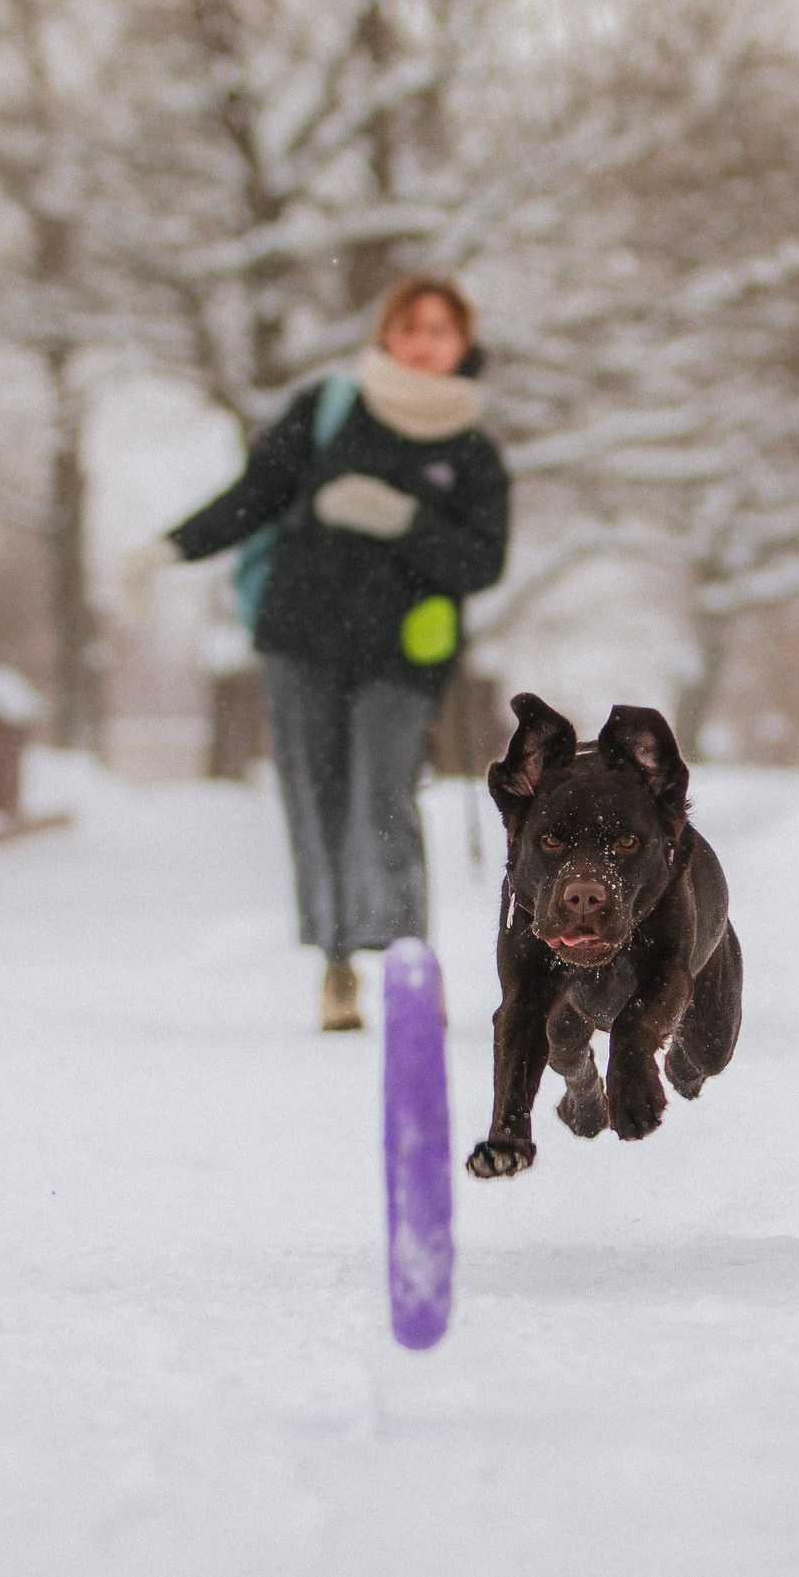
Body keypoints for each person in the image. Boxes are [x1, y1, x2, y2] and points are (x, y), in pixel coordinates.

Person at [153, 277, 509, 1031]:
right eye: (410, 325)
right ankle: (338, 966)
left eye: (441, 328)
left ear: (464, 344)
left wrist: (402, 518)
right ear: (386, 335)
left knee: (385, 794)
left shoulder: (471, 450)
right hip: (301, 637)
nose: (424, 340)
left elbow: (482, 561)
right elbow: (256, 495)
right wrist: (172, 547)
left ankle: (411, 962)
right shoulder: (328, 411)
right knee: (315, 792)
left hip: (402, 652)